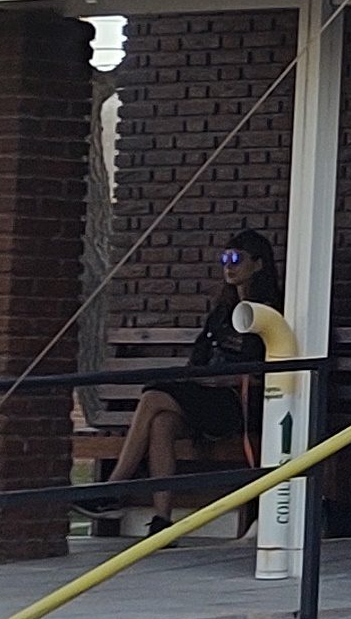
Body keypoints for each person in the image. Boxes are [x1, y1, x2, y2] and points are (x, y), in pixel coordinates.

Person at [96, 225, 276, 533]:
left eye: (237, 258)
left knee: (153, 397)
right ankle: (162, 523)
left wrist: (227, 380)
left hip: (238, 405)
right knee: (161, 422)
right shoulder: (221, 313)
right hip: (206, 396)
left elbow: (270, 372)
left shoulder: (271, 313)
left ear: (258, 264)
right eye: (224, 258)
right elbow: (198, 358)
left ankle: (113, 489)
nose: (229, 266)